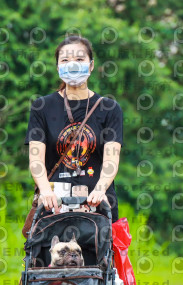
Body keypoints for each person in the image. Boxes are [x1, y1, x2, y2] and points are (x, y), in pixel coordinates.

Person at [25, 35, 123, 222]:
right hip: (54, 207)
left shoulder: (109, 108)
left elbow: (112, 159)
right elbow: (36, 159)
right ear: (57, 67)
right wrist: (45, 190)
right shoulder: (42, 107)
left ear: (91, 65)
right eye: (65, 60)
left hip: (97, 207)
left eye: (79, 59)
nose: (72, 65)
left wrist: (100, 189)